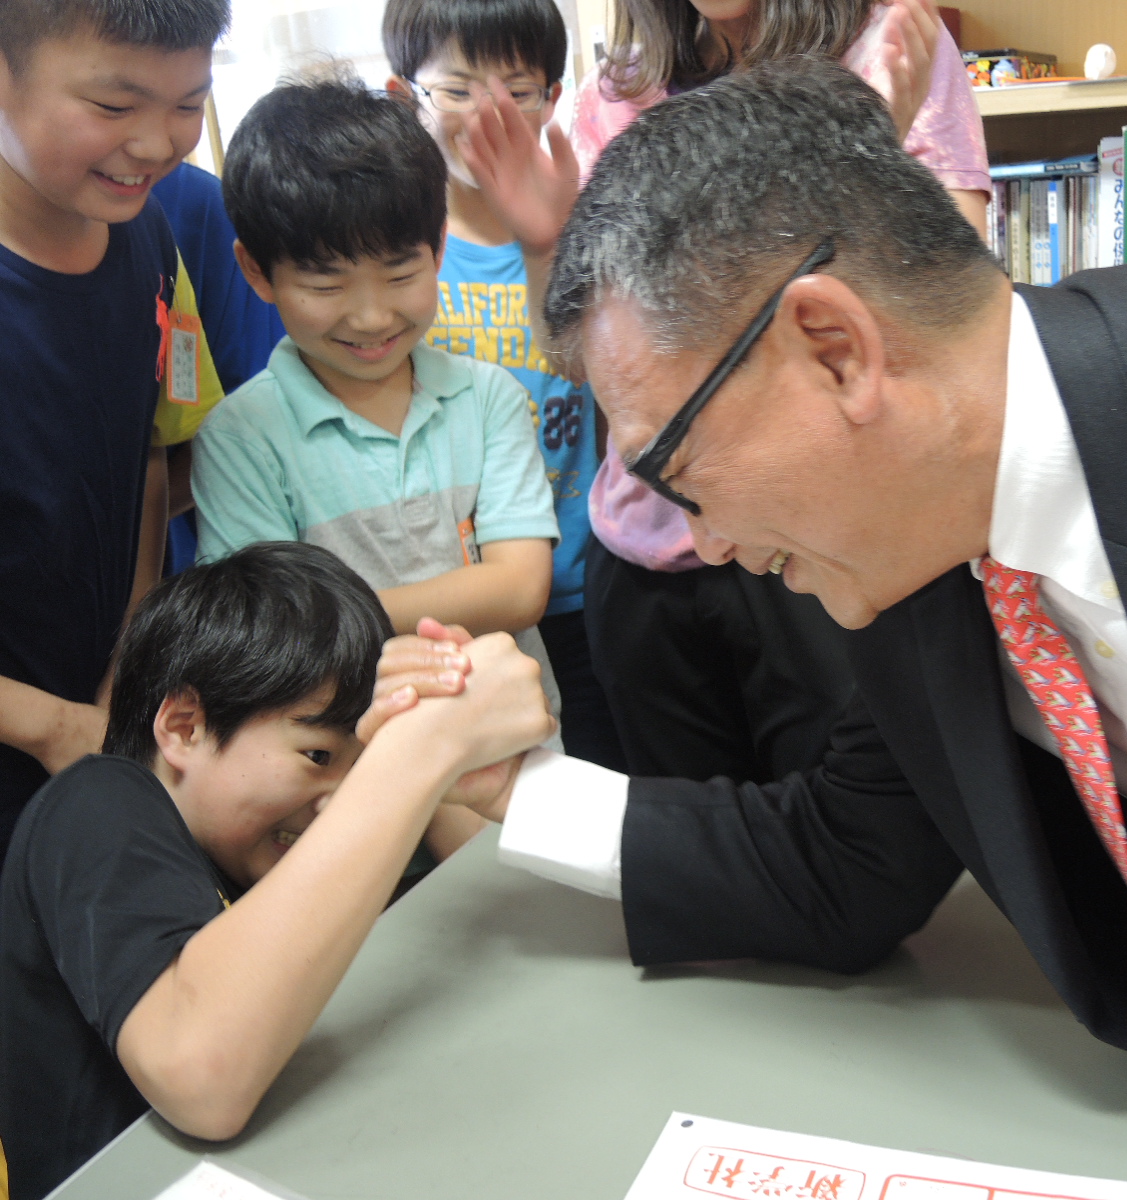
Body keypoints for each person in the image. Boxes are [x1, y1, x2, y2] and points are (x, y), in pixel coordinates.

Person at [385, 60, 1127, 1198]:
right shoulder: (917, 566)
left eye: (679, 473)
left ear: (834, 348)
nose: (697, 543)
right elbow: (840, 860)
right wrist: (514, 788)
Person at [458, 0, 985, 783]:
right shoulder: (619, 91)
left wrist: (865, 170)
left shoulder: (889, 41)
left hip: (813, 554)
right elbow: (584, 362)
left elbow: (949, 313)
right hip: (646, 557)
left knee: (841, 836)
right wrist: (544, 244)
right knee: (694, 851)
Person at [0, 542, 552, 1200]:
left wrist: (451, 750)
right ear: (183, 725)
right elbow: (201, 1077)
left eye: (362, 763)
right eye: (317, 754)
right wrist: (412, 758)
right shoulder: (99, 805)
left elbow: (496, 890)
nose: (342, 798)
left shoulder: (263, 848)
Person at [192, 77, 562, 862]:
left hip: (512, 750)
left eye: (399, 275)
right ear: (257, 272)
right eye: (326, 283)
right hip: (343, 783)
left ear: (437, 249)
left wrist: (346, 618)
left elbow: (521, 585)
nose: (370, 316)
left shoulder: (486, 397)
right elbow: (271, 634)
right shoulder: (243, 434)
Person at [0, 0, 229, 864]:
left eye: (186, 103)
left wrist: (129, 648)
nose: (157, 143)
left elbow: (147, 453)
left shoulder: (150, 239)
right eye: (113, 106)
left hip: (96, 722)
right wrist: (51, 726)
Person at [381, 0, 624, 770]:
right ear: (402, 97)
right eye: (455, 89)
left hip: (586, 589)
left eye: (516, 90)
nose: (487, 114)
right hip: (445, 608)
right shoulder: (387, 263)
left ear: (556, 98)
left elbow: (605, 378)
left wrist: (544, 242)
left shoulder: (588, 227)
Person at [152, 160, 287, 572]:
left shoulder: (191, 206)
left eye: (188, 106)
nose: (153, 144)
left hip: (179, 564)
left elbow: (242, 419)